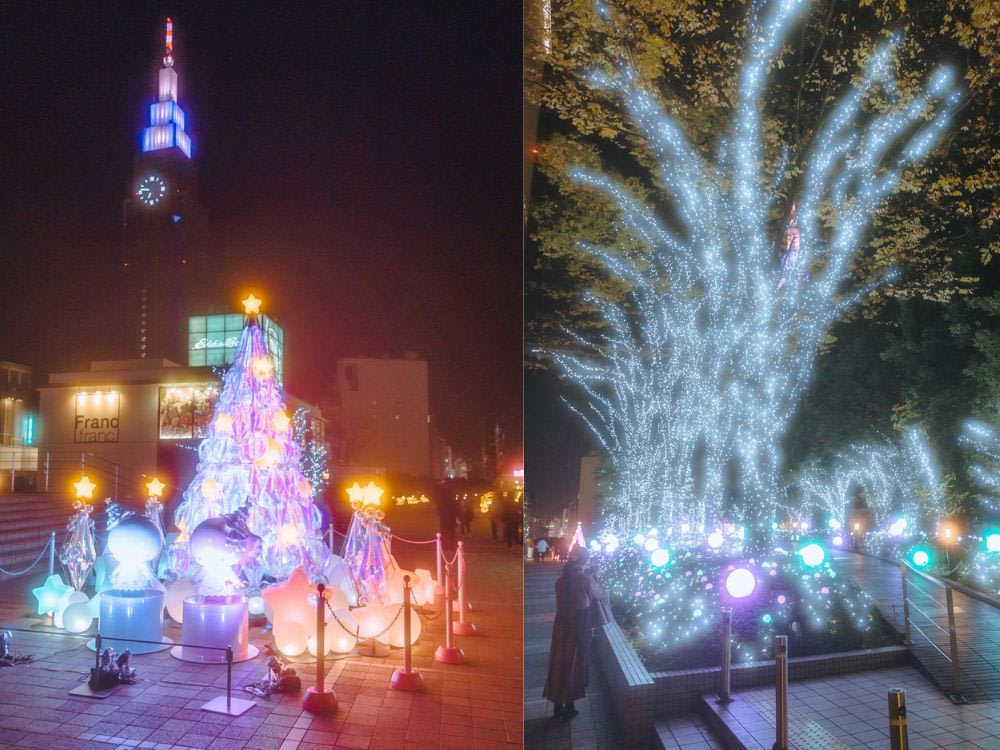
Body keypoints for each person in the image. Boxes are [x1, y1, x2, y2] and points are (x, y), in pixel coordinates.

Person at [543, 547, 608, 719]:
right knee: (575, 663)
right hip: (579, 624)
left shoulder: (560, 581)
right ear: (584, 560)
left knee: (559, 662)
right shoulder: (584, 579)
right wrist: (594, 575)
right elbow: (601, 595)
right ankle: (570, 704)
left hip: (561, 626)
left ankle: (558, 705)